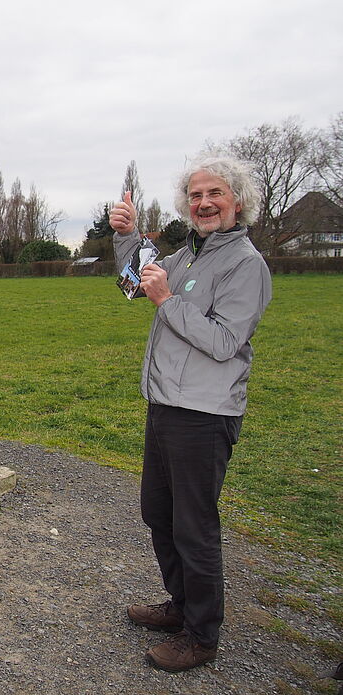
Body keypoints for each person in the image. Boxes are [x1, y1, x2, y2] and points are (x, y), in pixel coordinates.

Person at [110, 155, 272, 672]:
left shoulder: (245, 263)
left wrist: (168, 300)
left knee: (194, 527)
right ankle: (180, 607)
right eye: (196, 196)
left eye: (216, 194)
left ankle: (201, 636)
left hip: (204, 414)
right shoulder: (187, 255)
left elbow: (225, 342)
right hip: (165, 406)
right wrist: (128, 237)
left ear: (237, 201)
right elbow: (136, 283)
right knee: (159, 514)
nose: (204, 203)